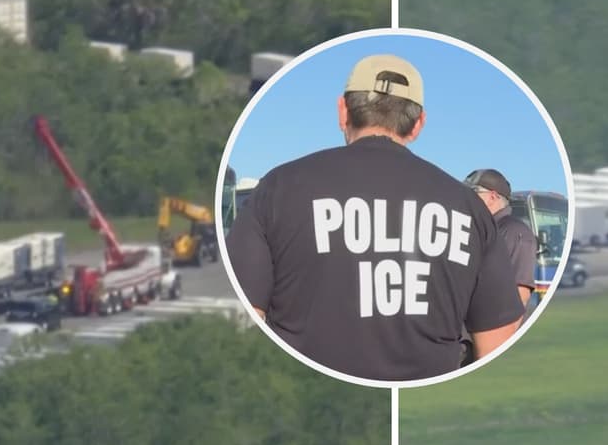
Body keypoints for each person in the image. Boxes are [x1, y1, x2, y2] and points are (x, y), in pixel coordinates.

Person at [225, 54, 526, 381]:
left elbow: (243, 316)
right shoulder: (470, 209)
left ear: (343, 111)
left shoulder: (278, 189)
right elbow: (499, 335)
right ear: (418, 124)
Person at [463, 168, 538, 308]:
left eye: (472, 193)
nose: (465, 198)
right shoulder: (480, 230)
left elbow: (520, 296)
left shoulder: (514, 233)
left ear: (492, 197)